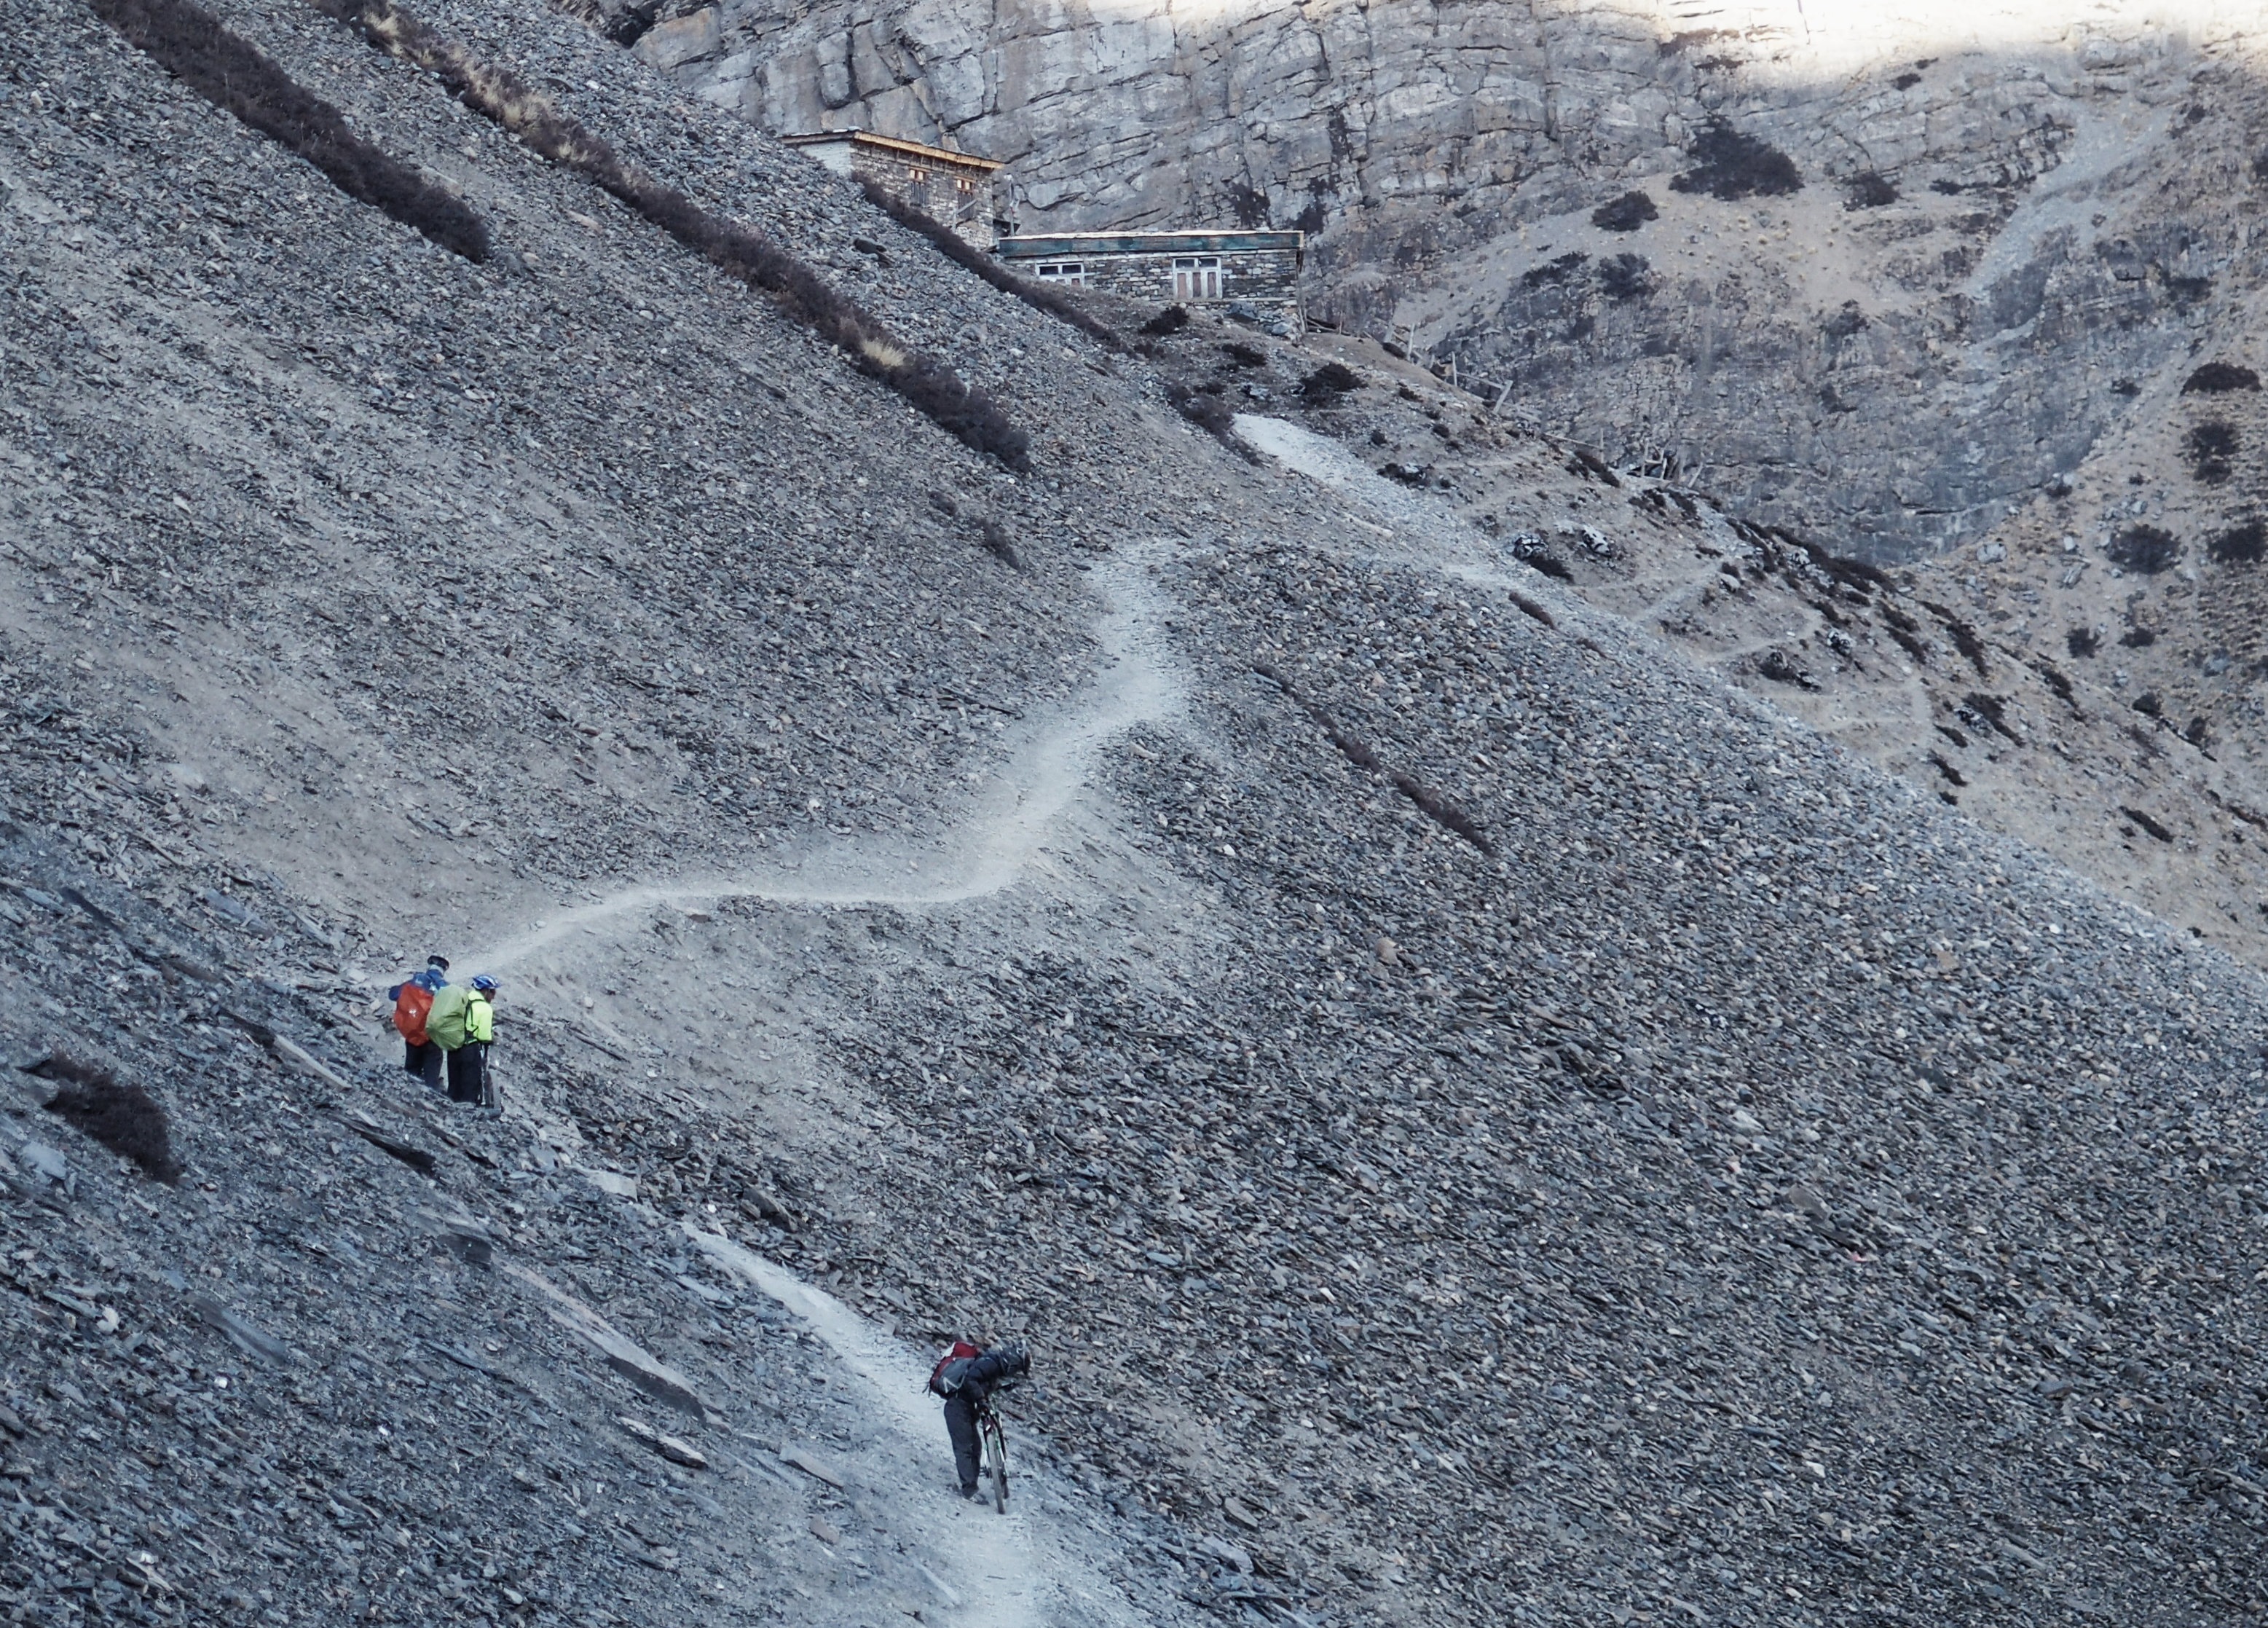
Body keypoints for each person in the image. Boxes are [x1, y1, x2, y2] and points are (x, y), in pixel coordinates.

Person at [928, 1339, 1028, 1498]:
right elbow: (970, 1380)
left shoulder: (992, 1366)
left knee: (975, 1447)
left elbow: (980, 1384)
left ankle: (972, 1485)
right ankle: (969, 1490)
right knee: (965, 1448)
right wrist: (981, 1400)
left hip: (965, 1408)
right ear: (1013, 1363)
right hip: (958, 1407)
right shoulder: (990, 1364)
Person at [385, 955, 451, 1093]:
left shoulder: (412, 983)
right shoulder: (444, 987)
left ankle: (407, 1096)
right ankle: (430, 1103)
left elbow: (393, 994)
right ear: (443, 970)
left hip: (412, 1035)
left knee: (410, 1072)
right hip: (432, 1038)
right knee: (431, 1078)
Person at [446, 975, 497, 1108]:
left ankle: (450, 1112)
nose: (494, 996)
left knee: (454, 1084)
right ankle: (468, 1117)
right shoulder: (485, 1008)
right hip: (470, 1049)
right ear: (485, 991)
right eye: (493, 992)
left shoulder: (461, 1001)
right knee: (470, 1086)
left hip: (453, 1047)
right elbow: (484, 1036)